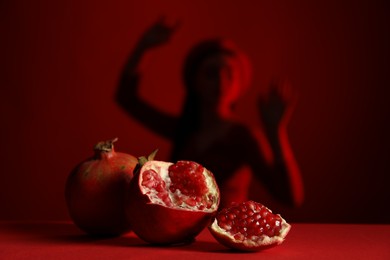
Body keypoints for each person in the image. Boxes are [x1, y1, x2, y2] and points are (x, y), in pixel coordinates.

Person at [116, 18, 304, 208]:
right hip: (183, 229)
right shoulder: (185, 129)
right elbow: (127, 99)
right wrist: (144, 47)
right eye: (211, 73)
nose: (221, 82)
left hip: (224, 230)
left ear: (240, 85)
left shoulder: (244, 136)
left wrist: (276, 133)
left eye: (229, 73)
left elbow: (290, 196)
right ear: (194, 81)